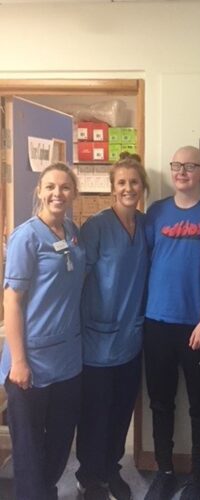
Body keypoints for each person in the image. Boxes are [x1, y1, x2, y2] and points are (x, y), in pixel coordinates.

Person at [144, 145, 200, 500]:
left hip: (196, 325)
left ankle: (198, 476)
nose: (181, 171)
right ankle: (164, 471)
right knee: (160, 401)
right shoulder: (155, 212)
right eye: (176, 165)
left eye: (190, 166)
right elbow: (145, 261)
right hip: (156, 322)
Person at [0, 163, 85, 500]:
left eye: (65, 187)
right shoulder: (26, 237)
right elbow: (13, 303)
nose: (57, 194)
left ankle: (45, 492)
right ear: (39, 190)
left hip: (67, 360)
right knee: (30, 452)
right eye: (50, 186)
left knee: (60, 442)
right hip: (30, 362)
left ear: (74, 193)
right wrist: (18, 361)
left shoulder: (73, 232)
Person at [75, 153, 150, 500]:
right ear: (112, 188)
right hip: (97, 340)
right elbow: (78, 279)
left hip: (131, 338)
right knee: (96, 414)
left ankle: (111, 468)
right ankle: (89, 476)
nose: (128, 188)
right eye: (121, 182)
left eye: (134, 182)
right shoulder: (97, 227)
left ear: (143, 186)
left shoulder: (147, 225)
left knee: (121, 412)